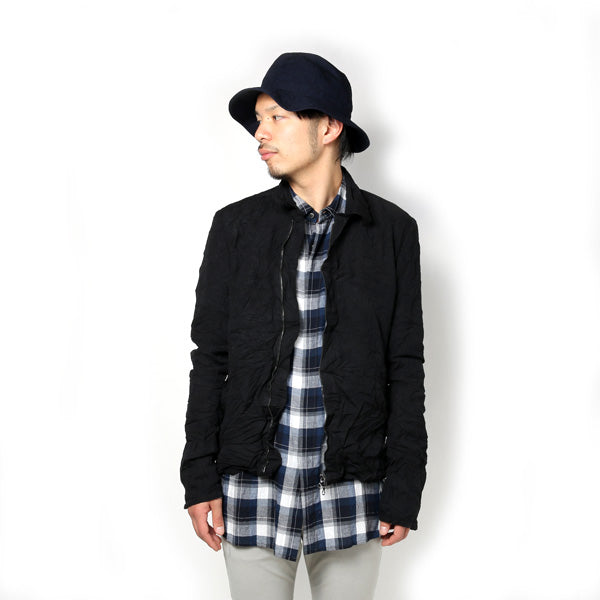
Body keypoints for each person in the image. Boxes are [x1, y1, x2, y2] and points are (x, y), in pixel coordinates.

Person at [180, 52, 428, 600]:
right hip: (253, 484)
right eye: (258, 121)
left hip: (352, 485)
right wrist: (198, 476)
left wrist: (405, 484)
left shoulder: (392, 231)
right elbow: (210, 357)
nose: (260, 134)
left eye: (278, 117)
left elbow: (405, 365)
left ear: (329, 128)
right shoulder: (235, 227)